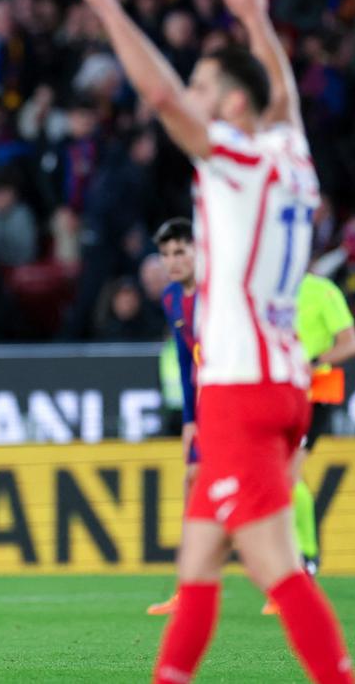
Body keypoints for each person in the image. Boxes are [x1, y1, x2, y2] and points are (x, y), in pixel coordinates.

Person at [68, 0, 355, 682]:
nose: (188, 94)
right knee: (196, 566)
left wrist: (104, 5)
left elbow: (160, 98)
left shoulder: (238, 160)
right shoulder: (291, 155)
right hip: (279, 382)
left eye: (203, 84)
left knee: (278, 571)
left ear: (231, 105)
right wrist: (257, 19)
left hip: (241, 388)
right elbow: (280, 96)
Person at [259, 273, 355, 614]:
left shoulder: (322, 290)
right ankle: (294, 569)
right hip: (274, 393)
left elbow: (350, 342)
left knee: (287, 477)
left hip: (313, 395)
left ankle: (305, 564)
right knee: (280, 479)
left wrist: (313, 362)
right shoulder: (266, 290)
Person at [147, 217, 199, 617]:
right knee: (192, 488)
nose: (173, 261)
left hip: (242, 402)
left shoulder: (222, 294)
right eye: (166, 254)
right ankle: (188, 592)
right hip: (208, 408)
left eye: (180, 251)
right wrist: (190, 419)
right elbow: (185, 362)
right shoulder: (171, 299)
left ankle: (289, 583)